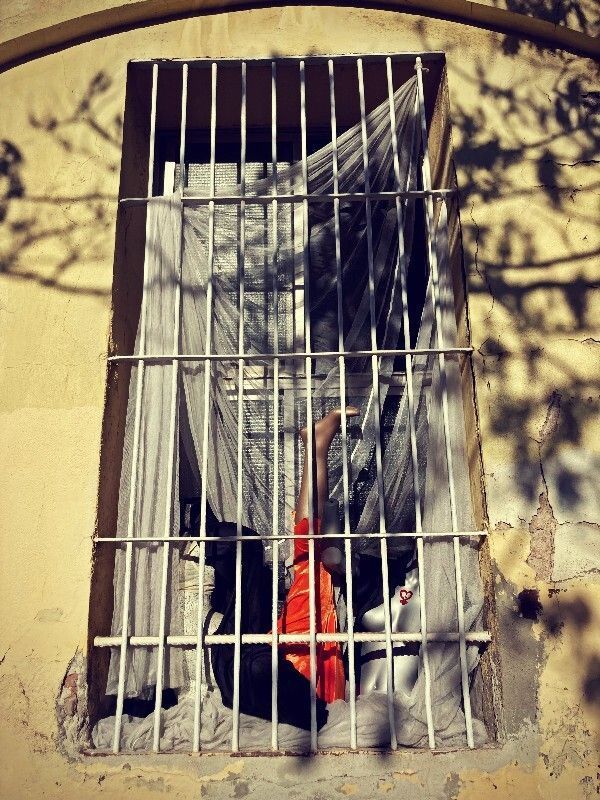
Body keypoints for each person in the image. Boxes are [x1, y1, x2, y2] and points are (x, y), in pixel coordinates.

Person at [207, 407, 358, 728]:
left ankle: (316, 450)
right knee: (311, 553)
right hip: (308, 651)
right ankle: (316, 450)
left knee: (310, 554)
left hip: (303, 655)